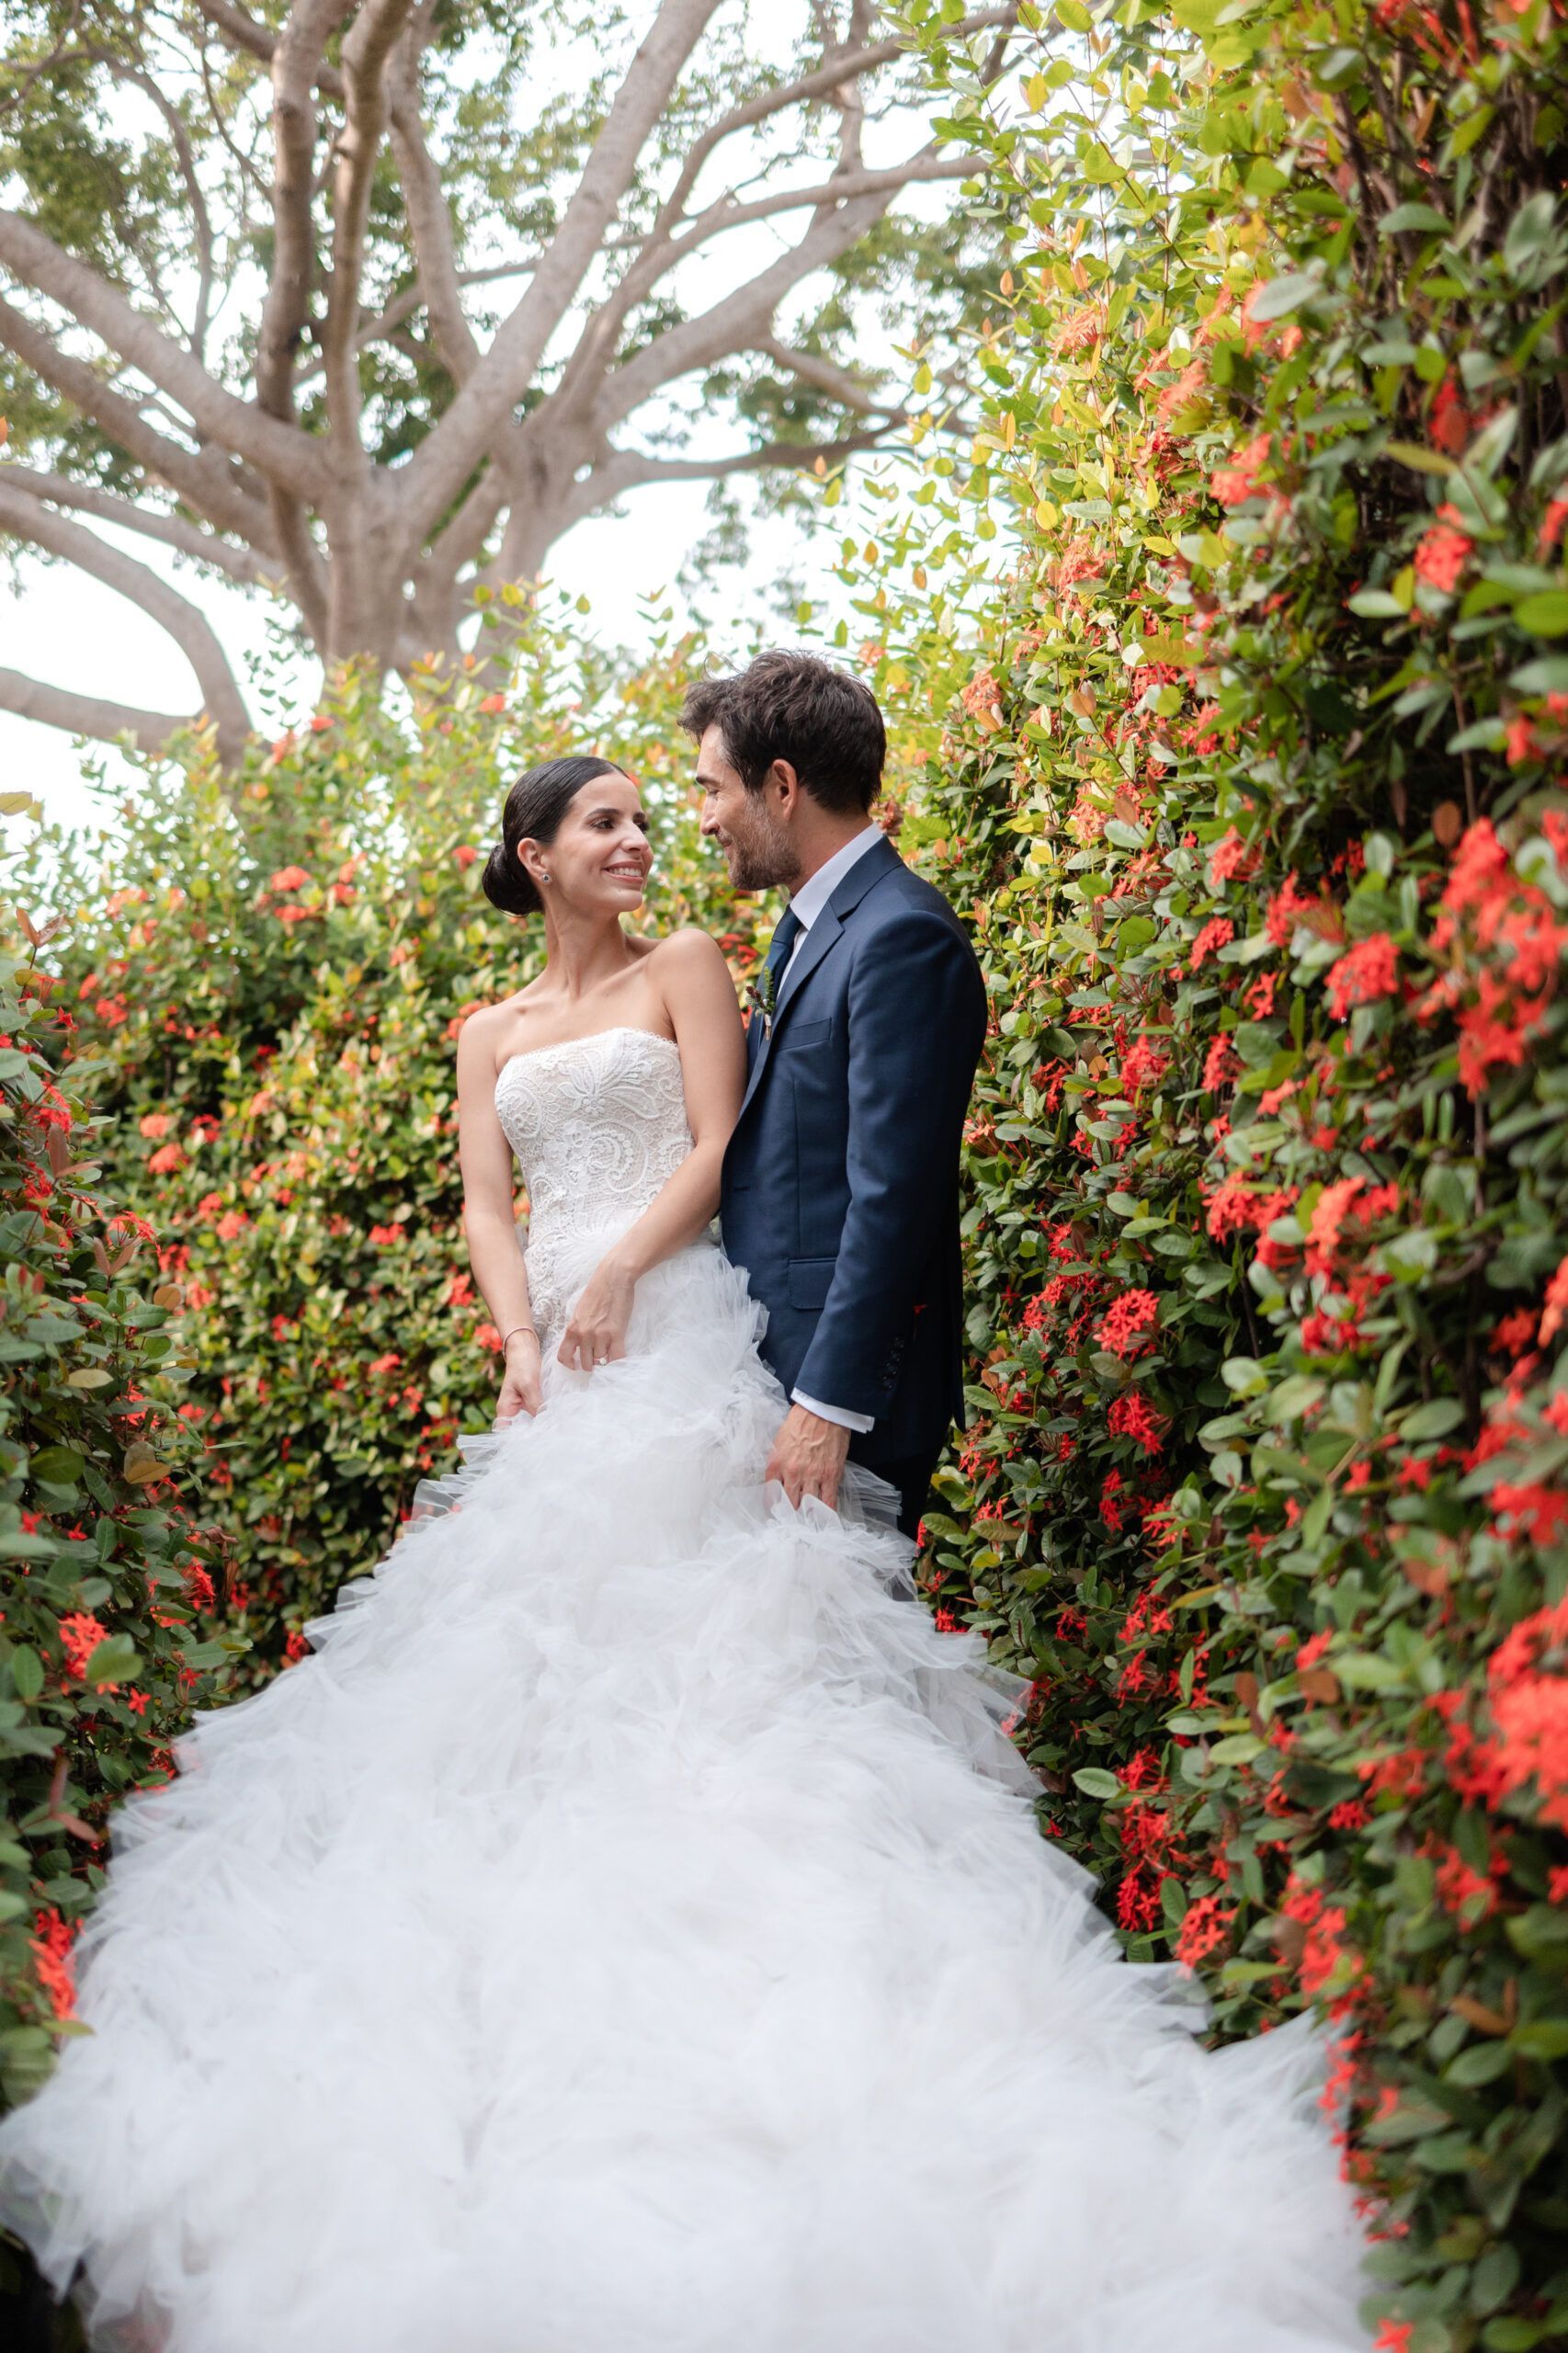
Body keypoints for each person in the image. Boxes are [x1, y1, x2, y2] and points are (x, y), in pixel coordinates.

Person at [0, 695, 1370, 2353]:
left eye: (676, 806)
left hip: (690, 1351)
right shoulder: (492, 1026)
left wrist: (633, 1280)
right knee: (516, 1682)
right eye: (611, 822)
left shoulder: (705, 966)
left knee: (720, 1673)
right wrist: (518, 1335)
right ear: (533, 858)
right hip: (556, 1376)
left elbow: (739, 1156)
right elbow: (486, 1201)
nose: (653, 836)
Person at [687, 654, 986, 1543]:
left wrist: (828, 1403)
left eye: (711, 791)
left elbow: (896, 1194)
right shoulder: (807, 929)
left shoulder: (900, 935)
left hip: (842, 1401)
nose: (704, 820)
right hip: (768, 1371)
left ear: (779, 785)